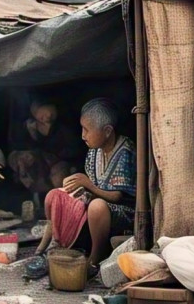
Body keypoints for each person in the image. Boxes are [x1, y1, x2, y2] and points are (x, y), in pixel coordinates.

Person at [35, 98, 136, 275]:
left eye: (87, 130)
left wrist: (88, 185)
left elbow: (117, 197)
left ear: (107, 131)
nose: (83, 135)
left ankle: (95, 258)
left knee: (97, 207)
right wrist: (77, 188)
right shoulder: (93, 151)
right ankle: (54, 245)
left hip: (124, 211)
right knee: (55, 195)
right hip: (96, 202)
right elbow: (91, 188)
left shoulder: (125, 151)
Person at [7, 98, 82, 198]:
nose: (46, 118)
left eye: (47, 114)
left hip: (62, 163)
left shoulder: (63, 126)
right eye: (41, 118)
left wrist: (49, 138)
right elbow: (18, 145)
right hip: (41, 161)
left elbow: (73, 151)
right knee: (23, 160)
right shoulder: (30, 127)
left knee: (57, 178)